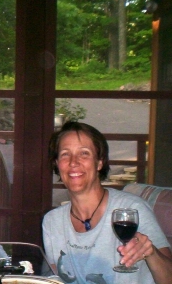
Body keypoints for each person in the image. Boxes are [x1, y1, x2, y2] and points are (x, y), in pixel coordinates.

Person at [43, 121, 172, 284]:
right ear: (57, 164)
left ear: (99, 162)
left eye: (84, 153)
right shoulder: (52, 222)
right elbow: (55, 279)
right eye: (65, 154)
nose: (73, 162)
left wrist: (151, 252)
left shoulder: (132, 209)